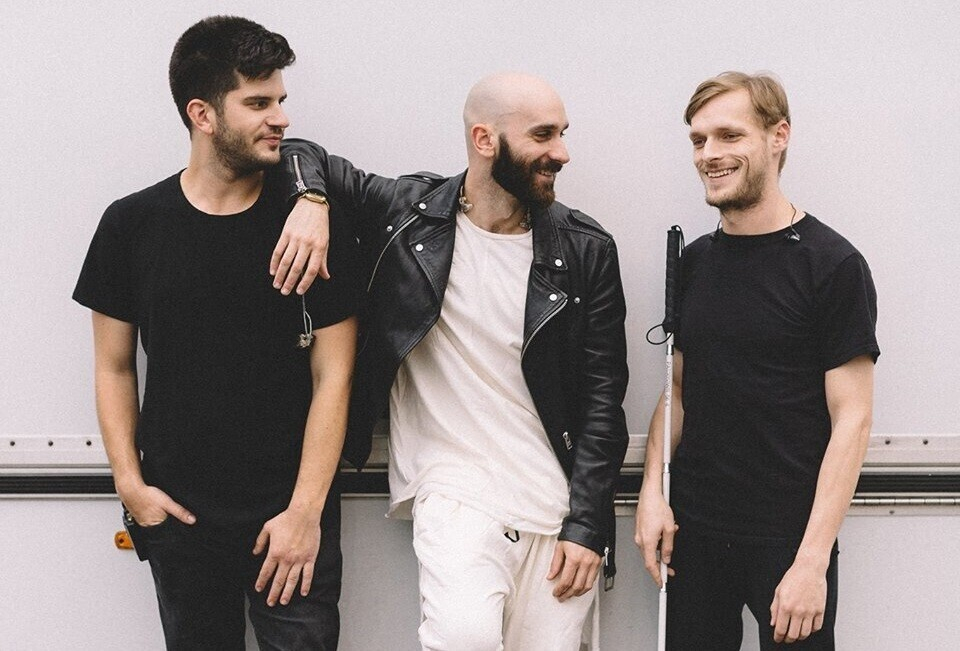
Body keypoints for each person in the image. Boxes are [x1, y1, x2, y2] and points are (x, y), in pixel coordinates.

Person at [278, 72, 629, 650]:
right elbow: (298, 151)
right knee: (463, 638)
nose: (562, 153)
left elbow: (602, 400)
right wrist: (311, 201)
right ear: (484, 139)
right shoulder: (406, 215)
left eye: (562, 134)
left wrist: (588, 525)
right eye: (543, 135)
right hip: (455, 493)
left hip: (557, 508)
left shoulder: (585, 248)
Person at [73, 16, 359, 650]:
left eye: (280, 99)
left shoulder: (311, 225)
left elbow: (335, 373)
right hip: (181, 517)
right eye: (258, 103)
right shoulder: (131, 225)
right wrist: (130, 486)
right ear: (202, 114)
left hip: (289, 516)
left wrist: (305, 512)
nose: (281, 118)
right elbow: (114, 366)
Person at [634, 71, 879, 649]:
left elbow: (853, 419)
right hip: (694, 535)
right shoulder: (694, 263)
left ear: (778, 136)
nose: (709, 154)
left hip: (788, 541)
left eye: (729, 135)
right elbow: (678, 391)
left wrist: (812, 561)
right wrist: (651, 494)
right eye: (699, 140)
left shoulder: (832, 265)